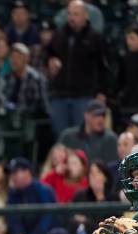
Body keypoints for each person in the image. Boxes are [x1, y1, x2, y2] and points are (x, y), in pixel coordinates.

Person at [47, 0, 108, 136]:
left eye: (76, 14)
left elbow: (103, 67)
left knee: (82, 136)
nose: (71, 18)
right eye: (69, 14)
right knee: (60, 136)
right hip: (59, 95)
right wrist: (51, 61)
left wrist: (102, 92)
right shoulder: (58, 35)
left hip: (83, 96)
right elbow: (49, 55)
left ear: (85, 16)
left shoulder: (95, 38)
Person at [6, 157, 58, 234]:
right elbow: (12, 217)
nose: (12, 177)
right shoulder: (13, 193)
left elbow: (48, 219)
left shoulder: (43, 190)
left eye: (15, 173)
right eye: (11, 173)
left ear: (27, 172)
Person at [58, 100, 118, 164]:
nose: (101, 119)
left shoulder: (110, 139)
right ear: (86, 115)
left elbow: (112, 168)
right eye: (96, 115)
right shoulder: (68, 136)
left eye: (103, 115)